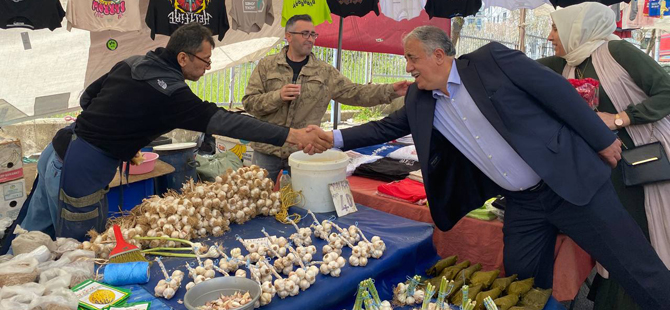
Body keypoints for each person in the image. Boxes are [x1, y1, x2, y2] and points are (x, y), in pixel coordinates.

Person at [324, 25, 670, 309]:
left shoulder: (491, 60)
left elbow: (556, 91)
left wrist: (601, 138)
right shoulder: (420, 97)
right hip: (522, 205)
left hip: (570, 184)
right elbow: (384, 128)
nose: (409, 67)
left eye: (412, 58)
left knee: (636, 267)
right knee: (520, 287)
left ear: (439, 55)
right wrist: (333, 138)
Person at [15, 23, 333, 242]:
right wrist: (291, 135)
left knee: (28, 242)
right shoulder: (172, 94)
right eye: (205, 61)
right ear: (183, 57)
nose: (208, 68)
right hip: (78, 170)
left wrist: (122, 134)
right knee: (77, 250)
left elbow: (89, 98)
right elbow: (223, 120)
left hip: (55, 152)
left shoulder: (133, 62)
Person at [538, 3, 670, 309]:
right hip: (602, 169)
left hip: (640, 167)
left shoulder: (617, 52)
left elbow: (666, 91)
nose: (549, 37)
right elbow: (518, 69)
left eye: (556, 28)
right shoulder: (568, 63)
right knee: (615, 241)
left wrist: (621, 117)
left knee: (640, 237)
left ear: (576, 28)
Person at [242, 14, 411, 181]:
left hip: (304, 150)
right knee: (259, 199)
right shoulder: (266, 66)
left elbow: (355, 93)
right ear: (288, 36)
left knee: (303, 201)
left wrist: (391, 90)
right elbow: (249, 103)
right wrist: (277, 96)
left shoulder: (324, 72)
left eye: (313, 34)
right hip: (267, 148)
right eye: (305, 34)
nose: (311, 39)